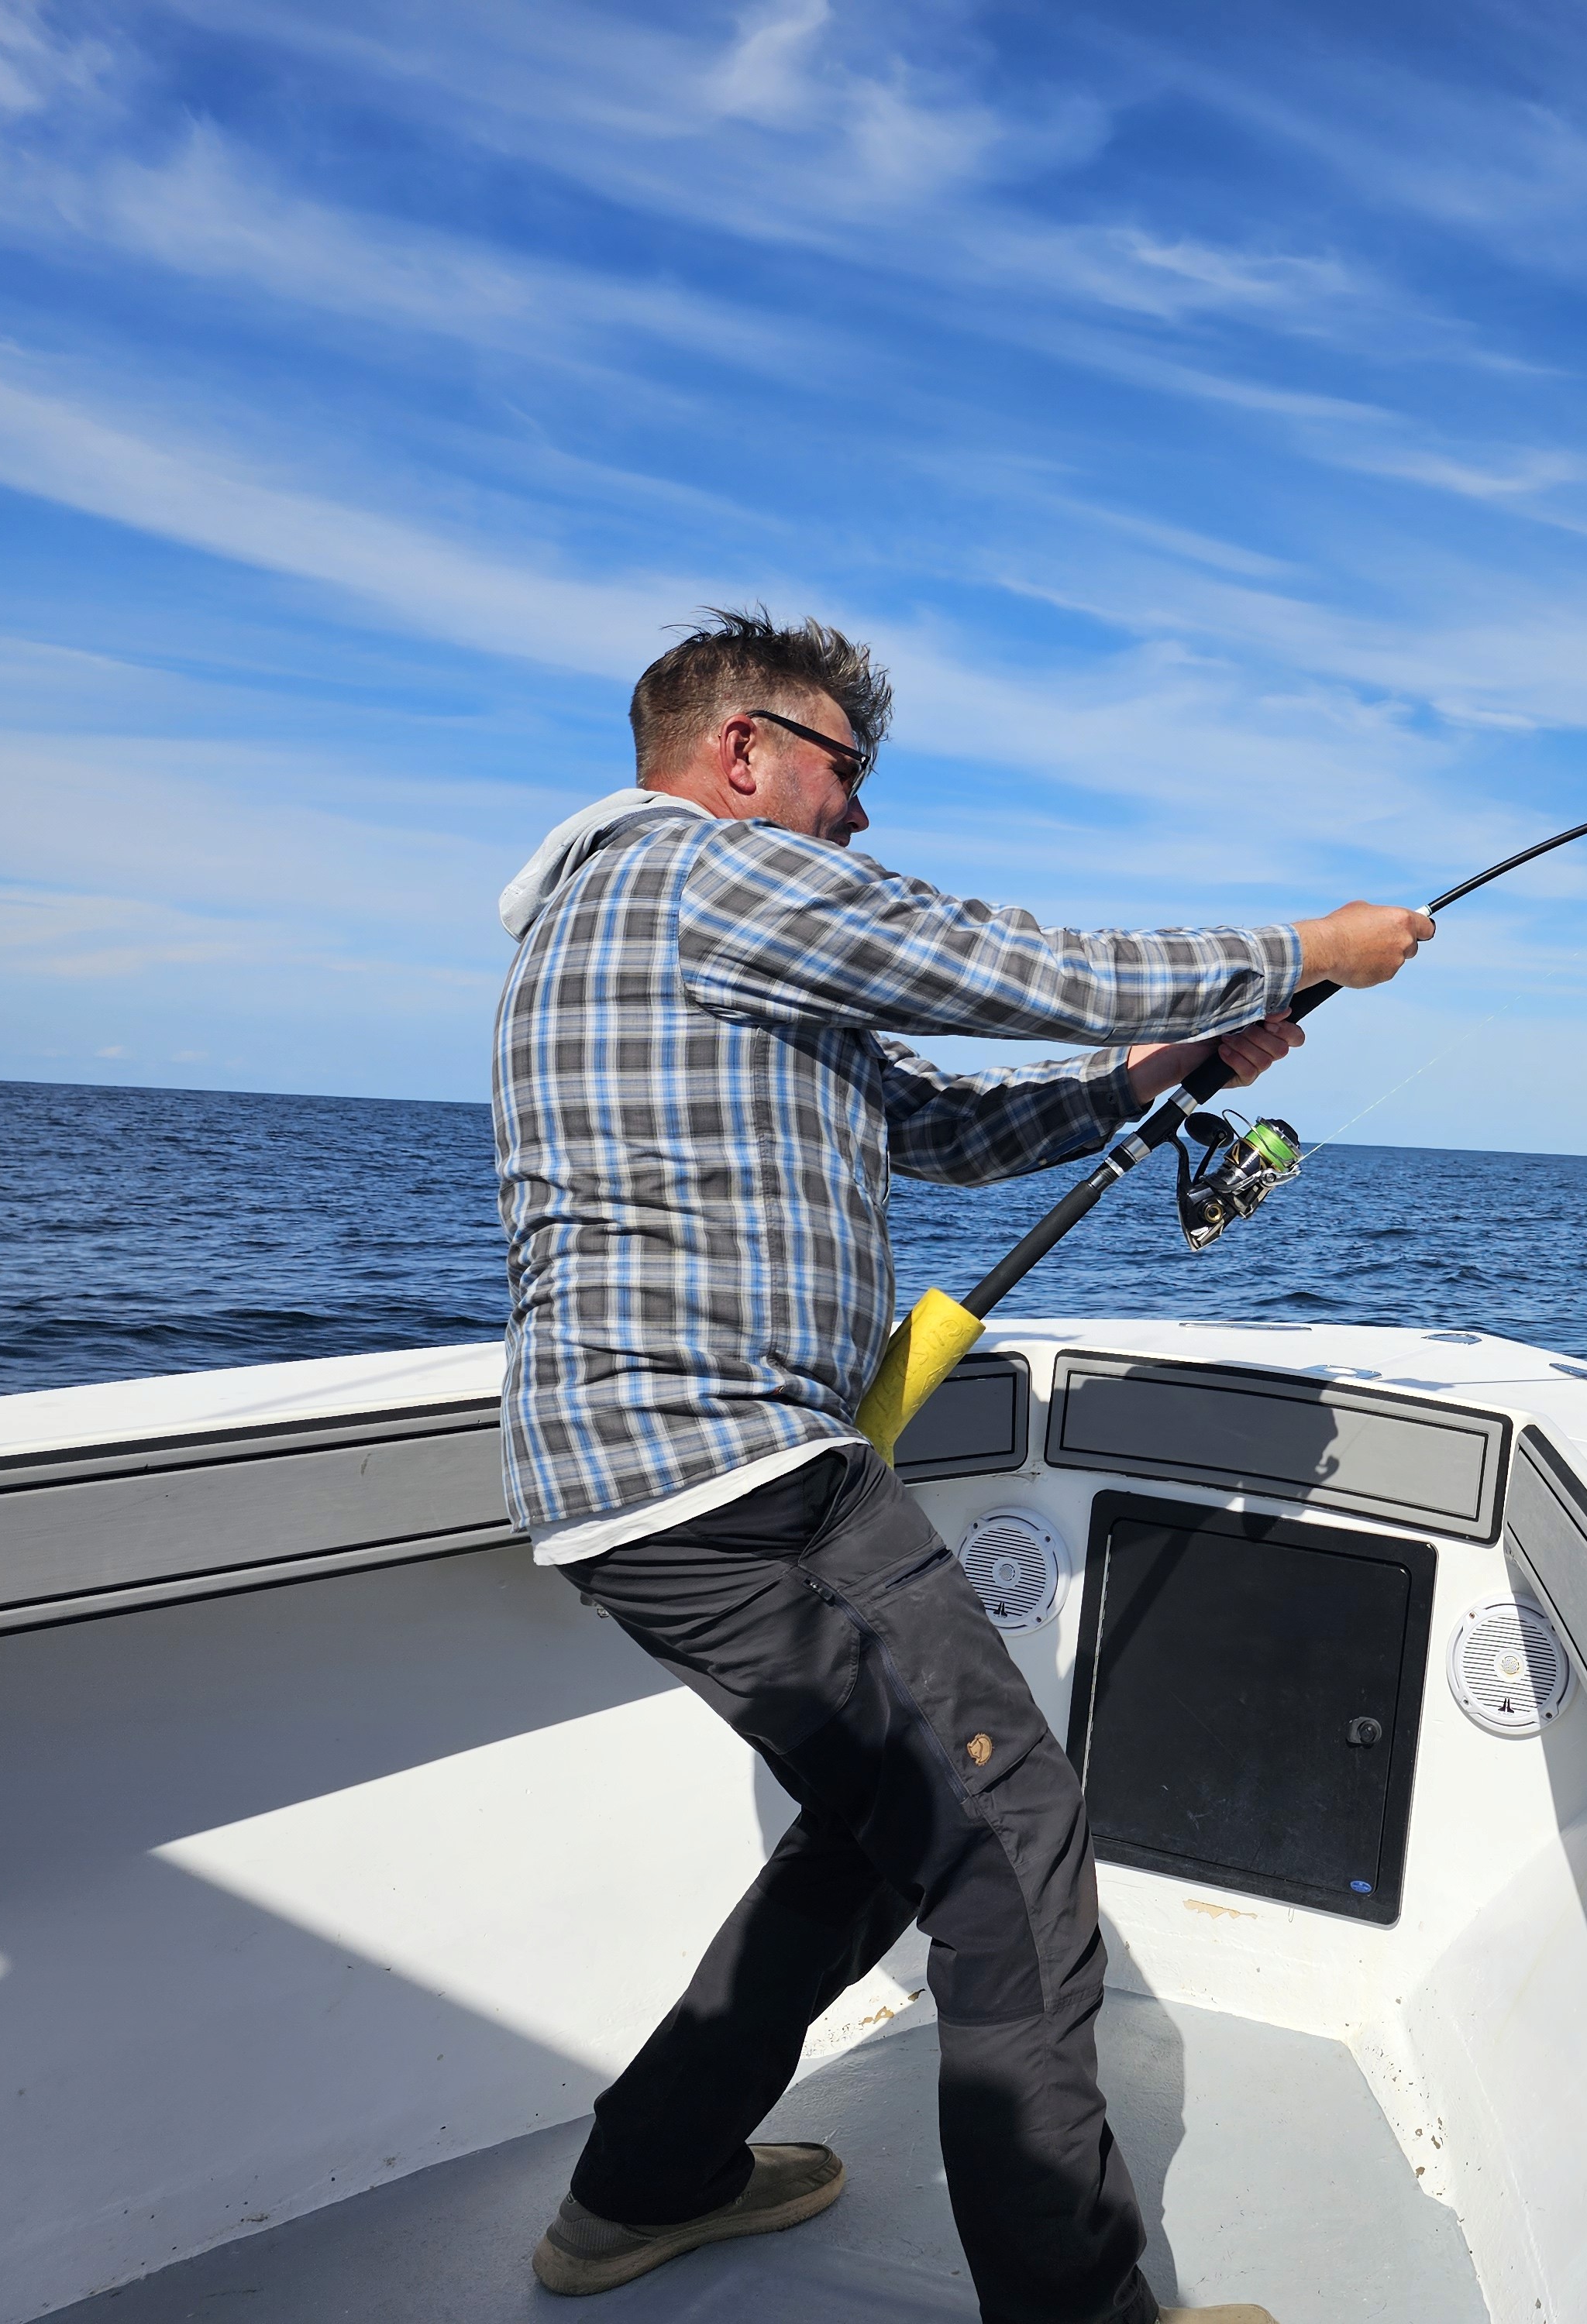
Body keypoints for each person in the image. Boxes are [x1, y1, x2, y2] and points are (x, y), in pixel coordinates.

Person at [491, 607, 1431, 2323]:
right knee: (1008, 1836)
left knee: (880, 1833)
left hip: (647, 1481)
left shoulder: (649, 933)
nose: (860, 815)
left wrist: (1160, 1068)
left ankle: (643, 2187)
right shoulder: (706, 877)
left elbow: (946, 1124)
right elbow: (1002, 956)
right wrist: (1306, 945)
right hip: (737, 1467)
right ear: (743, 752)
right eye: (847, 773)